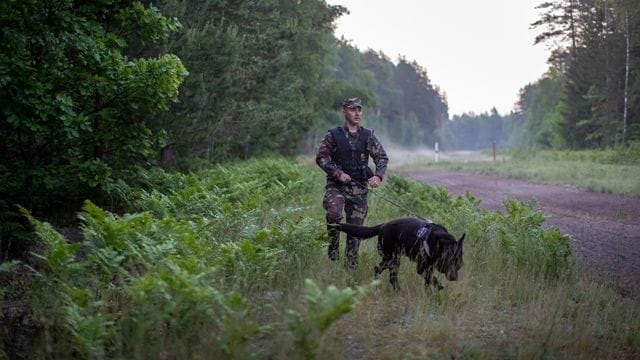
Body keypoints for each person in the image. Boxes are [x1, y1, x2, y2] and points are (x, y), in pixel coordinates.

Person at [316, 97, 389, 269]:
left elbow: (382, 157)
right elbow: (321, 158)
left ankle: (350, 268)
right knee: (334, 213)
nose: (357, 113)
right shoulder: (333, 135)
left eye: (359, 109)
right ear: (344, 111)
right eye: (352, 109)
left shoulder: (367, 135)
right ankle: (333, 245)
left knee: (355, 231)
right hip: (337, 186)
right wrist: (337, 173)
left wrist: (378, 176)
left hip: (359, 189)